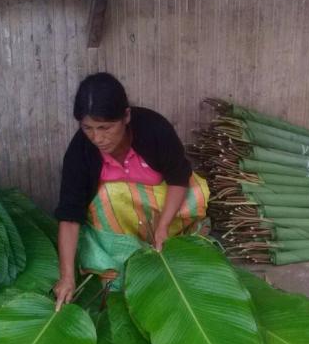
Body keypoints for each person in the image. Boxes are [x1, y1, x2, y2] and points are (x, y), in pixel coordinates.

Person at [52, 73, 209, 310]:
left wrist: (163, 225)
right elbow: (70, 215)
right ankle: (125, 262)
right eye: (88, 128)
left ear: (126, 116)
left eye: (105, 127)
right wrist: (67, 277)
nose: (97, 137)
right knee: (109, 197)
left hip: (161, 207)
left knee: (196, 191)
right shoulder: (80, 151)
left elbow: (178, 178)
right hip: (121, 220)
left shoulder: (154, 128)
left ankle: (171, 240)